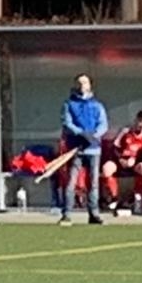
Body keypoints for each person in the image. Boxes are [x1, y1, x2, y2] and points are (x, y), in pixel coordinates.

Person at [59, 73, 107, 226]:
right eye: (79, 83)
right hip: (76, 149)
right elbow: (67, 123)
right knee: (71, 182)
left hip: (93, 149)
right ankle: (66, 214)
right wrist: (81, 134)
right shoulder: (69, 104)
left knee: (93, 183)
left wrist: (93, 136)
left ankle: (94, 214)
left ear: (90, 85)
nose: (82, 86)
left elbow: (103, 124)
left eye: (85, 83)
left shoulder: (97, 105)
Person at [103, 110, 142, 213]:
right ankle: (113, 197)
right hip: (121, 162)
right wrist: (120, 159)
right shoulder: (126, 132)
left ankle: (136, 195)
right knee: (106, 168)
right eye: (141, 122)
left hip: (135, 164)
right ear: (136, 121)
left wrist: (135, 160)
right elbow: (114, 148)